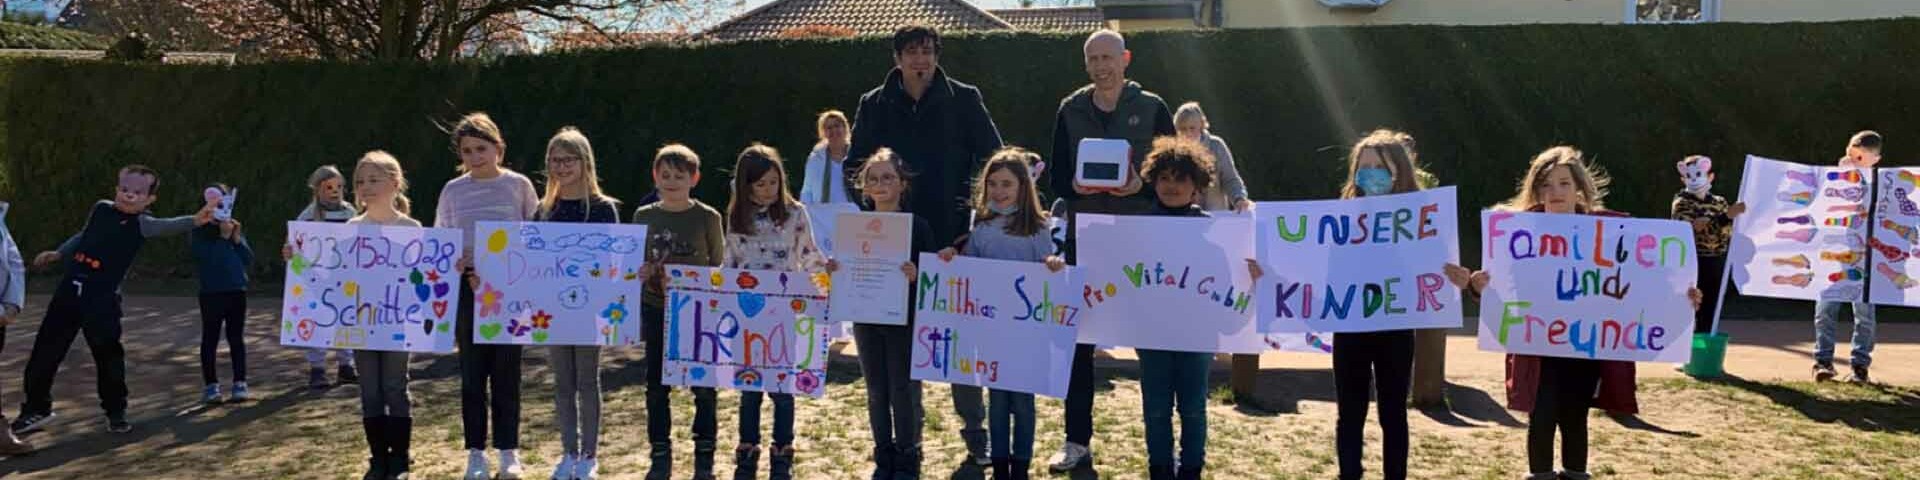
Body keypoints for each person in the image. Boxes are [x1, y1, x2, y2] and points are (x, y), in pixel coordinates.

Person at [1043, 28, 1175, 473]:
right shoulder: (1070, 109)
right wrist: (1072, 187)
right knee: (1079, 346)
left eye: (1108, 58)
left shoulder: (1153, 107)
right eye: (1093, 59)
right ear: (1086, 64)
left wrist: (1142, 187)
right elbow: (1056, 177)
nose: (1101, 66)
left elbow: (1174, 175)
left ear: (1125, 59)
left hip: (1138, 242)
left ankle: (1162, 444)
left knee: (1152, 345)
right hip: (1084, 241)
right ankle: (1075, 441)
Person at [15, 165, 214, 435]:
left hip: (102, 301)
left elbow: (168, 226)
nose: (129, 195)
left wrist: (196, 220)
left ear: (149, 199)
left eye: (138, 192)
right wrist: (59, 253)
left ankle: (116, 412)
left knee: (107, 357)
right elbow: (84, 236)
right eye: (124, 189)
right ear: (116, 189)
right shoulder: (101, 209)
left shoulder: (143, 224)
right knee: (44, 352)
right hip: (68, 293)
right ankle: (36, 409)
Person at [935, 147, 1066, 480]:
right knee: (996, 400)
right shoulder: (981, 226)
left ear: (1023, 186)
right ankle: (1000, 463)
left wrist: (1052, 264)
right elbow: (970, 269)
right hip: (991, 331)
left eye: (1006, 184)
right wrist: (952, 257)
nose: (999, 191)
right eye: (992, 184)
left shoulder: (1038, 227)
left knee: (1022, 401)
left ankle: (1021, 464)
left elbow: (1046, 267)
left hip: (1025, 332)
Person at [438, 113, 540, 480]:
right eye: (467, 151)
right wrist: (455, 260)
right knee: (472, 375)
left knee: (506, 373)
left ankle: (509, 451)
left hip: (510, 293)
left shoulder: (518, 185)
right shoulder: (452, 190)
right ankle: (475, 453)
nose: (475, 157)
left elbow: (536, 234)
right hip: (468, 291)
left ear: (498, 148)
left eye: (481, 149)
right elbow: (441, 238)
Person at [635, 144, 727, 480]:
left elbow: (719, 265)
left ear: (694, 178)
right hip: (656, 309)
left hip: (698, 313)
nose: (672, 181)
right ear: (655, 177)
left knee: (703, 388)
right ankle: (660, 456)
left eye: (679, 175)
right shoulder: (643, 216)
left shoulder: (708, 217)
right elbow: (634, 263)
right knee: (656, 387)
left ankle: (704, 458)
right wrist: (642, 271)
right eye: (665, 175)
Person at [537, 128, 621, 480]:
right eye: (555, 160)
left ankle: (589, 455)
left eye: (568, 159)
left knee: (587, 380)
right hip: (553, 310)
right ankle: (568, 452)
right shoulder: (544, 210)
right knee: (562, 382)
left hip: (590, 310)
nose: (561, 166)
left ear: (585, 162)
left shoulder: (603, 208)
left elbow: (615, 261)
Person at [1811, 130, 1882, 384]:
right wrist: (1839, 178)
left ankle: (1860, 365)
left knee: (1864, 314)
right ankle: (1823, 362)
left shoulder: (1881, 185)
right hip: (1834, 255)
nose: (1854, 161)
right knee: (1825, 309)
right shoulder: (1835, 180)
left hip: (1866, 259)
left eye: (1860, 158)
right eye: (1851, 155)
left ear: (1875, 160)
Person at [191, 183, 253, 405]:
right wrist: (222, 238)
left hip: (237, 291)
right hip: (211, 293)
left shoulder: (233, 227)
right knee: (210, 338)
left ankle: (240, 383)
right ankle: (211, 386)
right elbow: (206, 259)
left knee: (236, 338)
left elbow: (248, 259)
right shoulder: (198, 231)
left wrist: (237, 239)